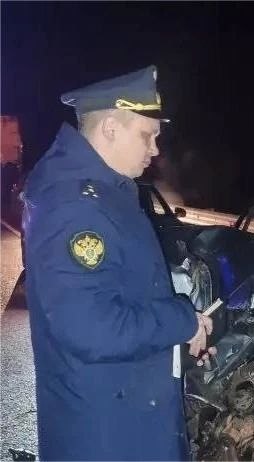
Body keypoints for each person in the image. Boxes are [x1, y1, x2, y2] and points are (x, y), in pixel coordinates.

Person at [22, 65, 215, 461]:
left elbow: (124, 293)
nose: (155, 150)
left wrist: (178, 337)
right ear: (110, 128)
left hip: (123, 417)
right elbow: (91, 328)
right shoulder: (75, 206)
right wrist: (181, 320)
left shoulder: (105, 191)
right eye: (147, 135)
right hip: (110, 436)